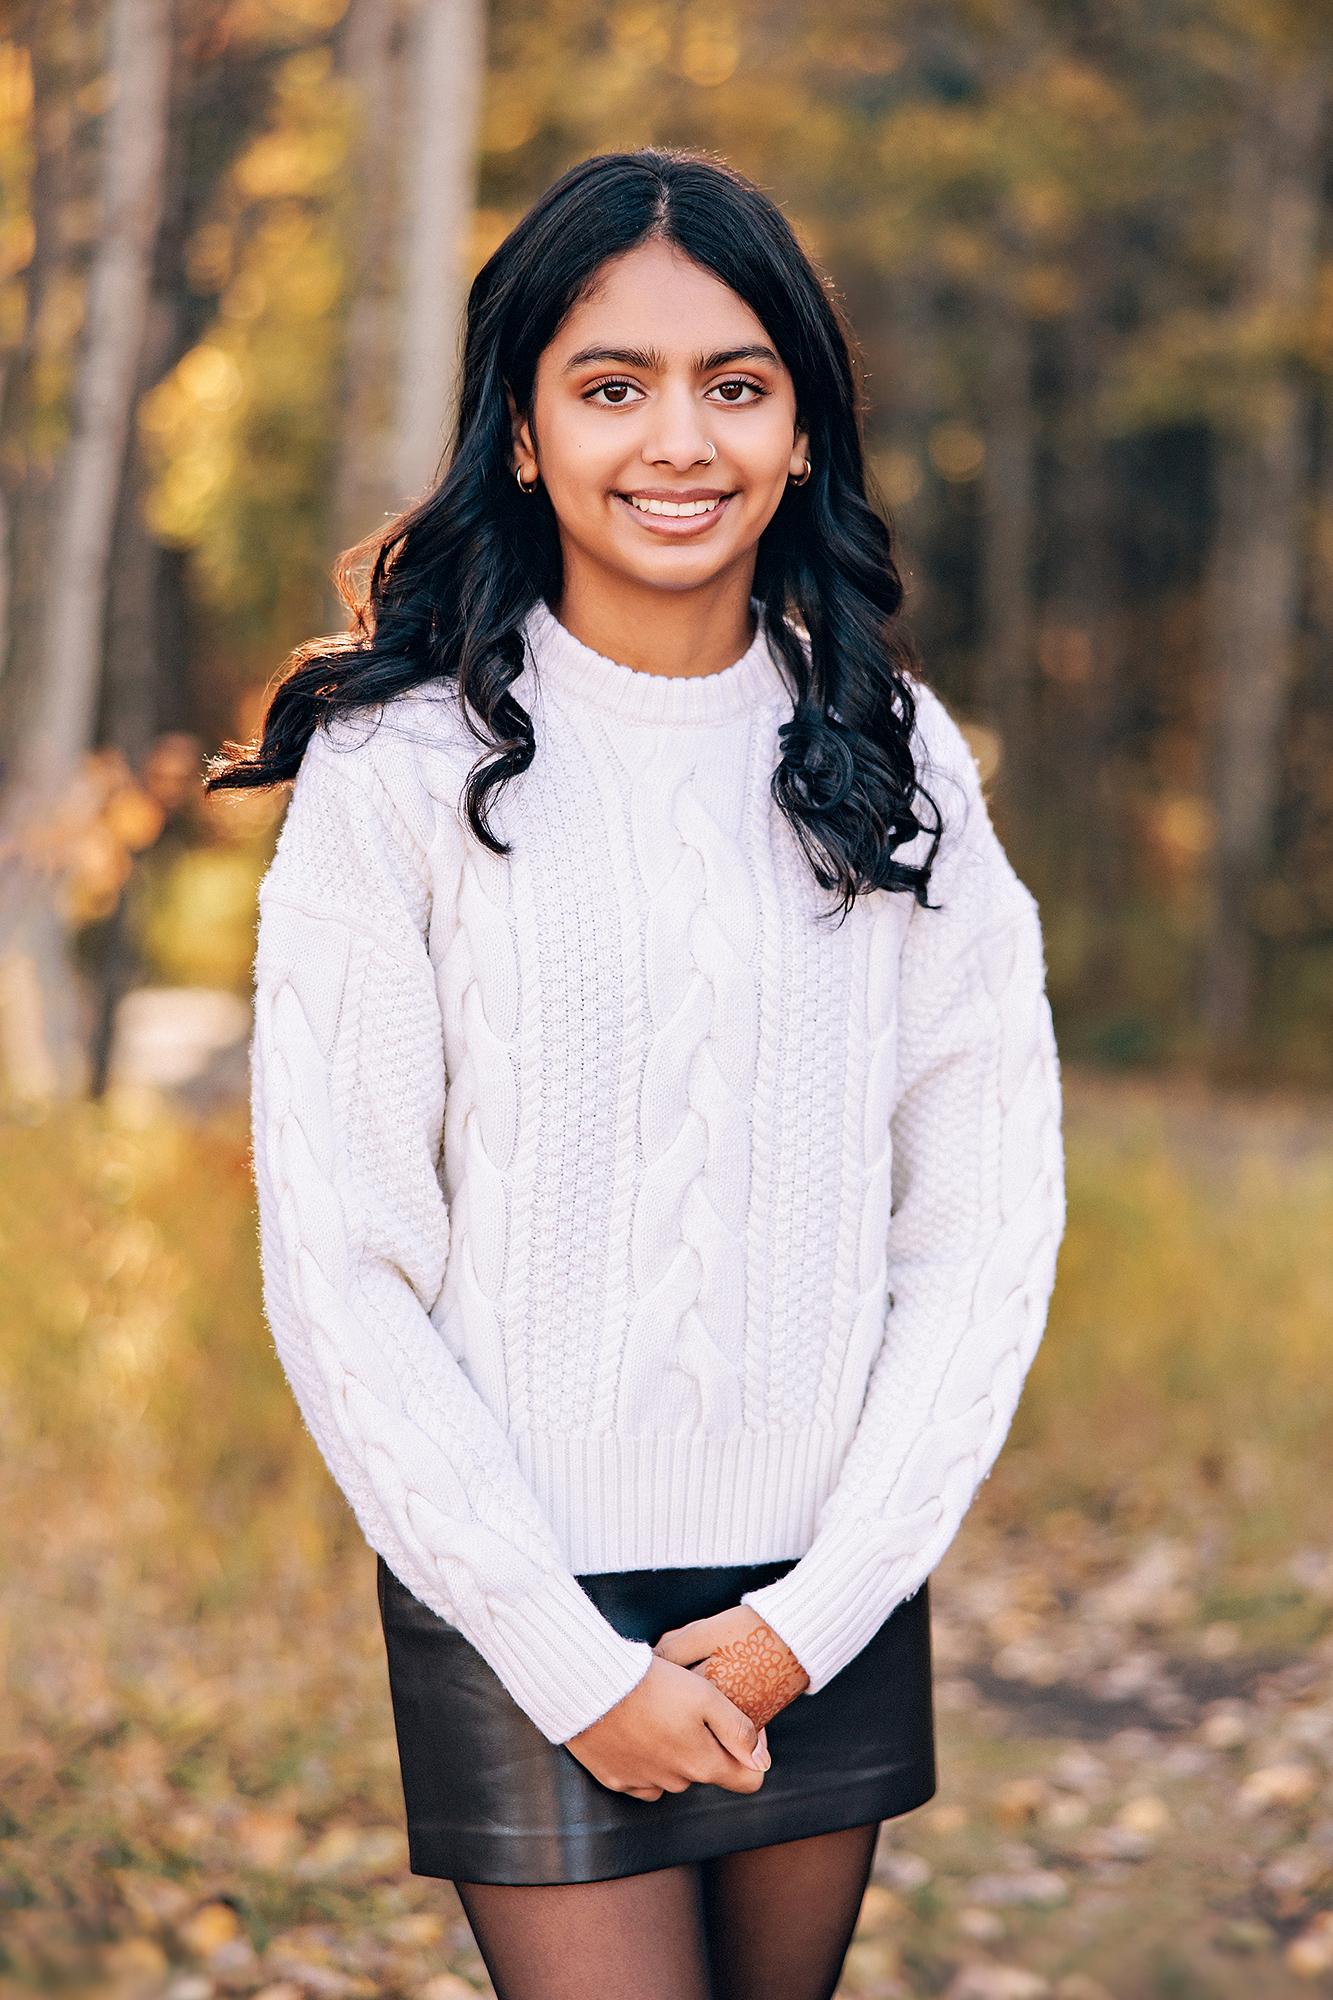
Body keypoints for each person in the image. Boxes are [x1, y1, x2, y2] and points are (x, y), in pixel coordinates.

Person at [213, 146, 1067, 2000]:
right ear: (522, 434)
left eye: (734, 385)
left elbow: (985, 1229)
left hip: (819, 1584)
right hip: (511, 1590)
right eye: (612, 386)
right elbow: (345, 1266)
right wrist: (570, 1658)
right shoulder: (399, 773)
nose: (677, 440)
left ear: (800, 433)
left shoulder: (896, 757)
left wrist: (802, 1622)